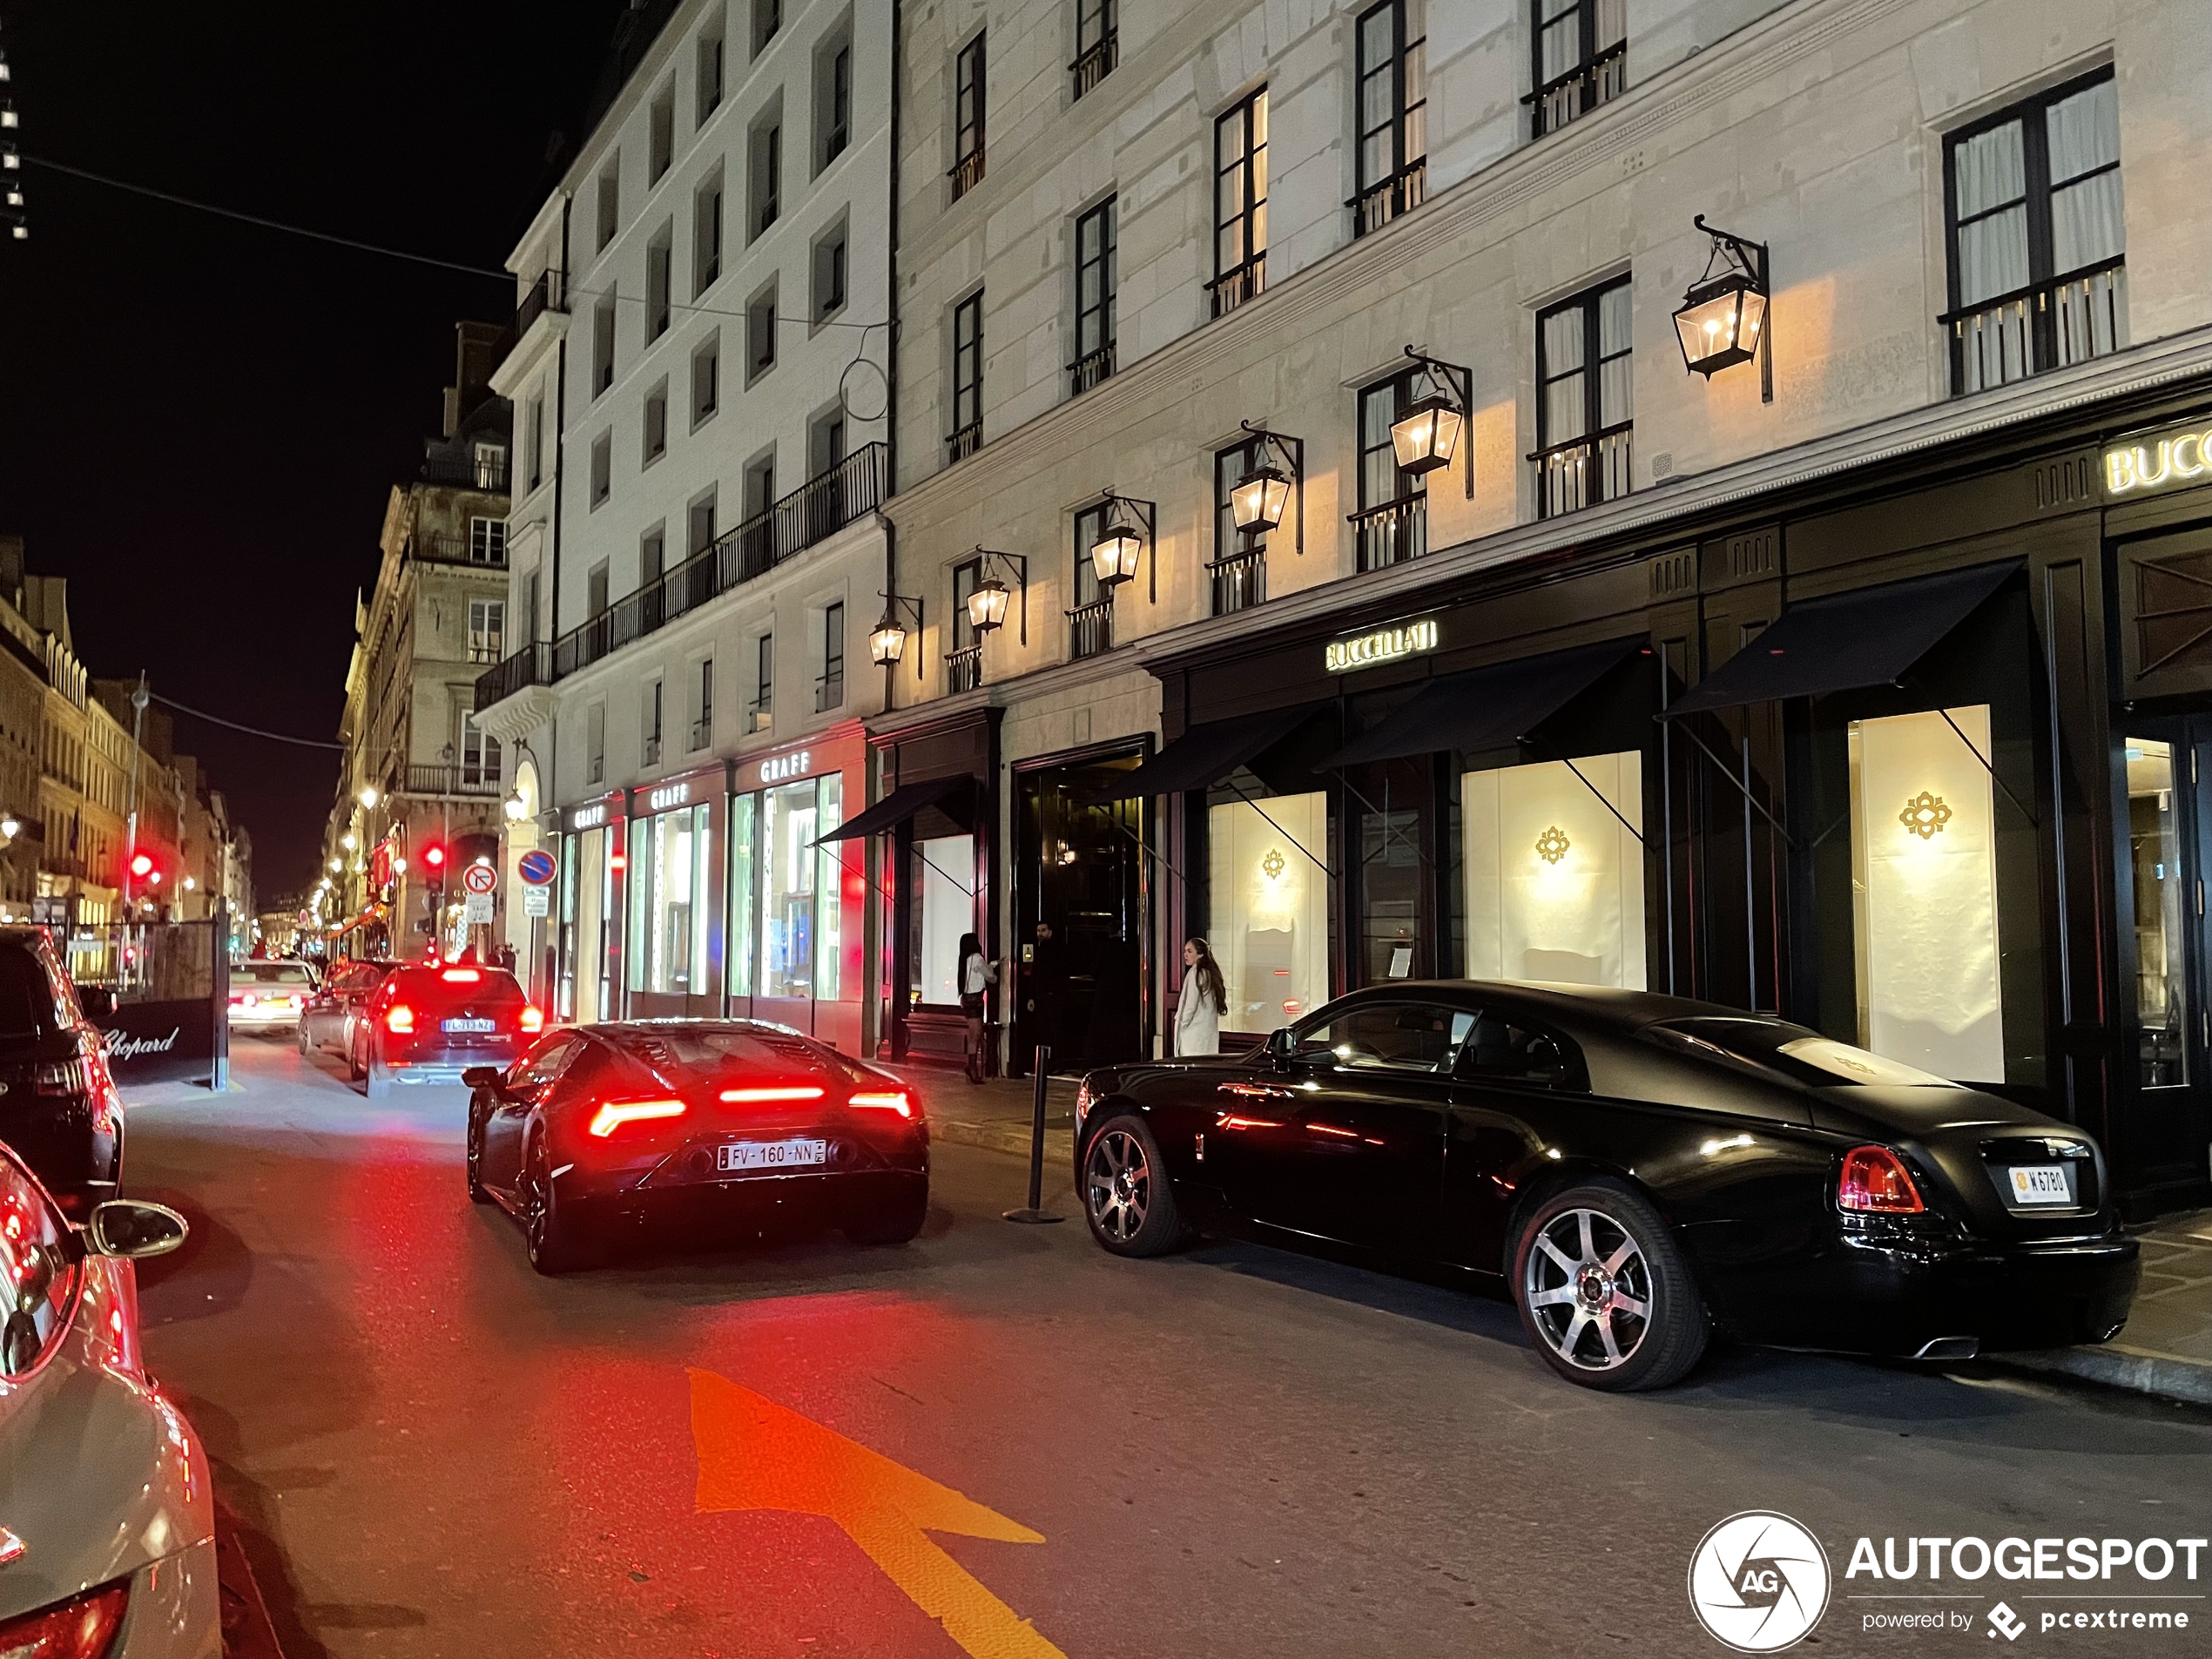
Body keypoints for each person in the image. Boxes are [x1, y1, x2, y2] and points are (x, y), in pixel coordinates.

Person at [1174, 936, 1227, 1057]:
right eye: (1185, 951)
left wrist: (1182, 1025)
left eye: (1190, 951)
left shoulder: (1195, 974)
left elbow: (1190, 1006)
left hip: (1193, 1036)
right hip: (1207, 1036)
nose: (1185, 955)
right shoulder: (1211, 974)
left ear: (1200, 954)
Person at [957, 932, 999, 1084]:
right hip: (976, 1000)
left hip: (967, 999)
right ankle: (973, 1069)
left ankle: (972, 1066)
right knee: (976, 1035)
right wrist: (994, 972)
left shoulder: (965, 959)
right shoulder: (977, 958)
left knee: (973, 1034)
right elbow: (990, 977)